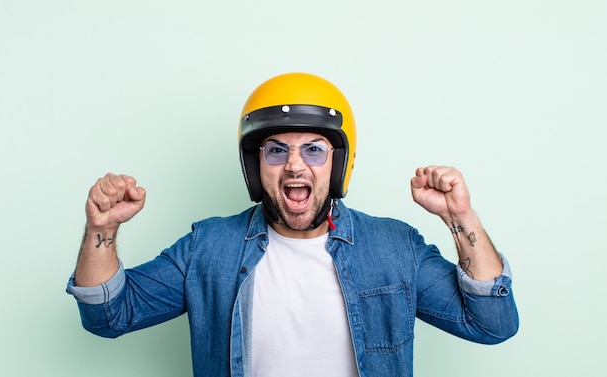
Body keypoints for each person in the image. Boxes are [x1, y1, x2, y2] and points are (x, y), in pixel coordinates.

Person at [67, 72, 519, 377]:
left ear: (338, 163)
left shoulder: (394, 245)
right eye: (277, 150)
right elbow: (108, 316)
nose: (294, 166)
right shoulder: (208, 247)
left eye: (314, 150)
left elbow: (491, 324)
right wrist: (101, 231)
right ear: (255, 165)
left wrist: (461, 218)